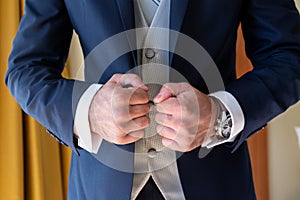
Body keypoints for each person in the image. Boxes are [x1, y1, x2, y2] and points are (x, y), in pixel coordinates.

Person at [5, 0, 300, 199]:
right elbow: (25, 69)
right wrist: (91, 111)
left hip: (215, 183)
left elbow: (289, 57)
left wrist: (219, 114)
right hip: (101, 187)